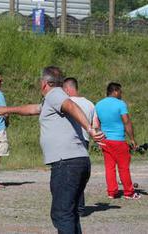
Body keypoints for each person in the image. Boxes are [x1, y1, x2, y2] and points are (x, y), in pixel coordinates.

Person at [0, 66, 104, 234]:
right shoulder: (51, 100)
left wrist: (90, 129)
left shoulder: (56, 95)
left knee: (61, 213)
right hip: (78, 161)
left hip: (67, 163)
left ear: (44, 83)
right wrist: (7, 110)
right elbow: (33, 109)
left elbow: (70, 106)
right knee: (70, 212)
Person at [95, 82, 141, 200]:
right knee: (123, 167)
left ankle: (111, 192)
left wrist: (98, 137)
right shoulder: (120, 104)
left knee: (109, 167)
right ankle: (129, 192)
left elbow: (96, 123)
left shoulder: (99, 105)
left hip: (105, 140)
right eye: (120, 91)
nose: (121, 94)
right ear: (115, 91)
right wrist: (132, 139)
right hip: (118, 140)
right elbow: (126, 122)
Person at [63, 77, 98, 216]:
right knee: (79, 175)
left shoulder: (67, 102)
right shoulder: (90, 104)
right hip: (85, 140)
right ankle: (80, 208)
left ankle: (71, 207)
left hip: (69, 141)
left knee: (67, 176)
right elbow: (96, 125)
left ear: (67, 89)